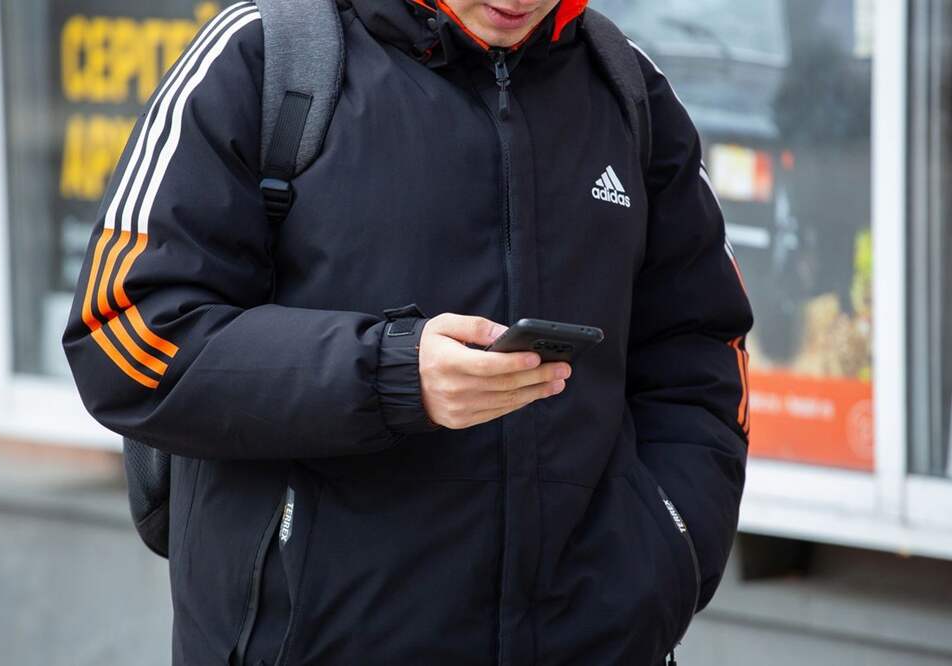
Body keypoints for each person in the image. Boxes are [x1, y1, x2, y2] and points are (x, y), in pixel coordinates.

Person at [62, 0, 753, 664]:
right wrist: (389, 374)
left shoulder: (627, 88)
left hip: (593, 642)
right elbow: (123, 329)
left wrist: (670, 549)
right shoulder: (265, 54)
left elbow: (701, 346)